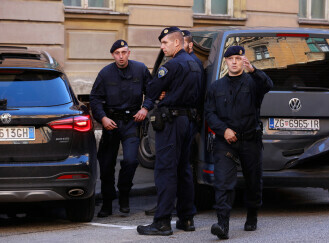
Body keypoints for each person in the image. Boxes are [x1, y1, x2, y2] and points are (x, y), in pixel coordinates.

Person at [137, 27, 202, 236]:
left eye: (165, 43)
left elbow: (153, 89)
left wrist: (164, 93)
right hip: (188, 121)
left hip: (171, 122)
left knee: (165, 170)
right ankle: (187, 218)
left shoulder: (172, 65)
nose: (162, 47)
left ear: (177, 43)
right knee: (183, 170)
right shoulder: (196, 63)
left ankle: (162, 222)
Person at [204, 46, 273, 239]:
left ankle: (252, 214)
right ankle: (222, 224)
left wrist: (254, 70)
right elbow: (209, 113)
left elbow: (268, 85)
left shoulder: (253, 83)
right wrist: (223, 130)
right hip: (225, 141)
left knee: (253, 181)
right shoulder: (216, 87)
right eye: (230, 58)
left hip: (250, 139)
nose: (234, 61)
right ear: (226, 61)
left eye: (238, 58)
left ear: (243, 60)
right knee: (223, 182)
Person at [90, 39, 152, 218]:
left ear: (129, 53)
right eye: (117, 53)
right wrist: (102, 118)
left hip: (132, 122)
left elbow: (152, 91)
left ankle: (124, 195)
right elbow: (94, 99)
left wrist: (145, 108)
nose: (121, 56)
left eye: (124, 52)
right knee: (107, 164)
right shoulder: (105, 73)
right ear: (113, 55)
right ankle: (108, 203)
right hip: (111, 123)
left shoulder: (140, 69)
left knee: (131, 161)